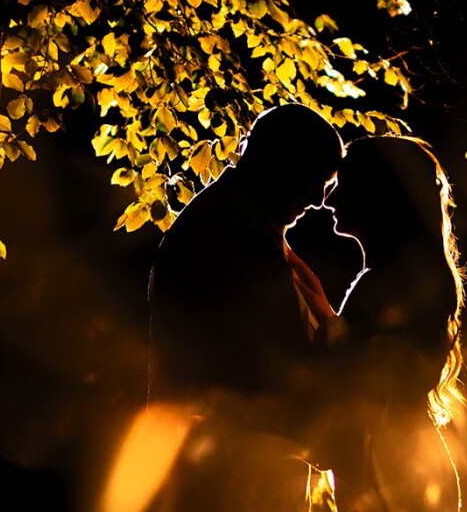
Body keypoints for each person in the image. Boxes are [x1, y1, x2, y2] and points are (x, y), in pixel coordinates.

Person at [146, 103, 346, 509]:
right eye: (314, 181)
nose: (318, 201)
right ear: (280, 164)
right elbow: (265, 369)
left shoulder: (245, 228)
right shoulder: (227, 238)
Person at [292, 135, 467, 511]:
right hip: (407, 467)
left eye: (344, 185)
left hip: (395, 478)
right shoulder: (406, 279)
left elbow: (356, 382)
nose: (329, 200)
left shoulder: (390, 287)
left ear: (376, 194)